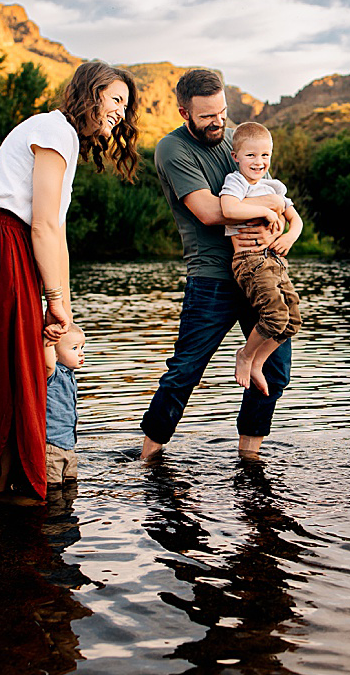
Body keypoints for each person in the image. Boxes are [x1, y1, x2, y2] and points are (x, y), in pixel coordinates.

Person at [0, 62, 139, 502]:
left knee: (15, 368)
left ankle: (4, 487)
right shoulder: (54, 129)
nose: (121, 111)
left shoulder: (61, 138)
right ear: (91, 93)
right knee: (14, 370)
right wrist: (56, 300)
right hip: (0, 247)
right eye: (116, 99)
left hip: (5, 248)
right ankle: (6, 487)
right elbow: (42, 224)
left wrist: (61, 309)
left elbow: (54, 235)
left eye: (126, 104)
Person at [140, 69, 289, 460]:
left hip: (259, 268)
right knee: (185, 371)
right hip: (212, 277)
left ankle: (249, 458)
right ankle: (147, 456)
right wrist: (271, 209)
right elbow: (208, 211)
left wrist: (275, 230)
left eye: (222, 112)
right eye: (207, 116)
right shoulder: (172, 150)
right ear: (184, 112)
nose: (218, 122)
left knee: (275, 368)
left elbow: (265, 193)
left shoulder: (237, 139)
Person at [220, 122, 303, 394]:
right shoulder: (237, 182)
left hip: (275, 262)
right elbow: (229, 208)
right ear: (236, 157)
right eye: (251, 155)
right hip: (249, 261)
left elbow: (296, 221)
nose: (259, 162)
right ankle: (245, 355)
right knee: (275, 316)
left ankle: (258, 361)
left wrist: (290, 236)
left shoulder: (275, 186)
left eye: (265, 155)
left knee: (292, 321)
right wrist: (267, 212)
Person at [44, 323, 86, 486]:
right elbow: (48, 362)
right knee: (53, 489)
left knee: (70, 486)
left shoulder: (69, 374)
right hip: (52, 446)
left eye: (82, 347)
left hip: (68, 445)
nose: (81, 353)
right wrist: (49, 338)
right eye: (74, 348)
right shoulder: (52, 374)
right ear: (54, 353)